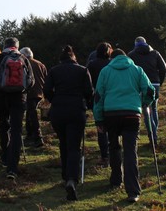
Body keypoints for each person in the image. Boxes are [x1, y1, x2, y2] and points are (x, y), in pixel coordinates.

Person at [93, 48, 155, 203]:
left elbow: (98, 96)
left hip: (111, 114)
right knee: (130, 151)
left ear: (112, 58)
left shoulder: (105, 71)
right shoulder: (136, 70)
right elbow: (149, 90)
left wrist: (99, 119)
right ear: (125, 56)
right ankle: (133, 191)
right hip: (131, 113)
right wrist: (144, 103)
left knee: (113, 147)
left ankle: (115, 180)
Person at [43, 45, 94, 201]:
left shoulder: (54, 70)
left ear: (61, 58)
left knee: (63, 142)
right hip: (76, 110)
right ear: (74, 57)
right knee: (74, 146)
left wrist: (55, 100)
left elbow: (46, 90)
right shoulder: (82, 70)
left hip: (58, 111)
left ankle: (65, 175)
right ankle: (72, 179)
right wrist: (85, 101)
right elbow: (89, 91)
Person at [0, 37, 35, 180]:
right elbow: (31, 82)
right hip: (19, 99)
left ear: (5, 46)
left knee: (3, 126)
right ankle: (12, 168)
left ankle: (4, 157)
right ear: (17, 46)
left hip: (1, 98)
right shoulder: (23, 58)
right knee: (16, 131)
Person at [127, 36, 166, 148]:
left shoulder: (131, 55)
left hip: (141, 85)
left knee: (145, 111)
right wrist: (160, 81)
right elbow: (164, 68)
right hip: (155, 84)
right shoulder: (155, 53)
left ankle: (152, 137)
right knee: (153, 109)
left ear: (135, 44)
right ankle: (154, 133)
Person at [85, 41, 112, 165]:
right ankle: (113, 151)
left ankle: (104, 155)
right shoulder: (111, 64)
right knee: (112, 127)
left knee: (101, 128)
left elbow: (87, 81)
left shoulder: (91, 64)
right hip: (112, 97)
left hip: (98, 98)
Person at [20, 46, 48, 148]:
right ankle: (30, 135)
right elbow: (46, 78)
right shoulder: (41, 64)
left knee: (32, 113)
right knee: (31, 112)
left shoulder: (23, 63)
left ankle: (37, 137)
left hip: (29, 92)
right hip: (39, 93)